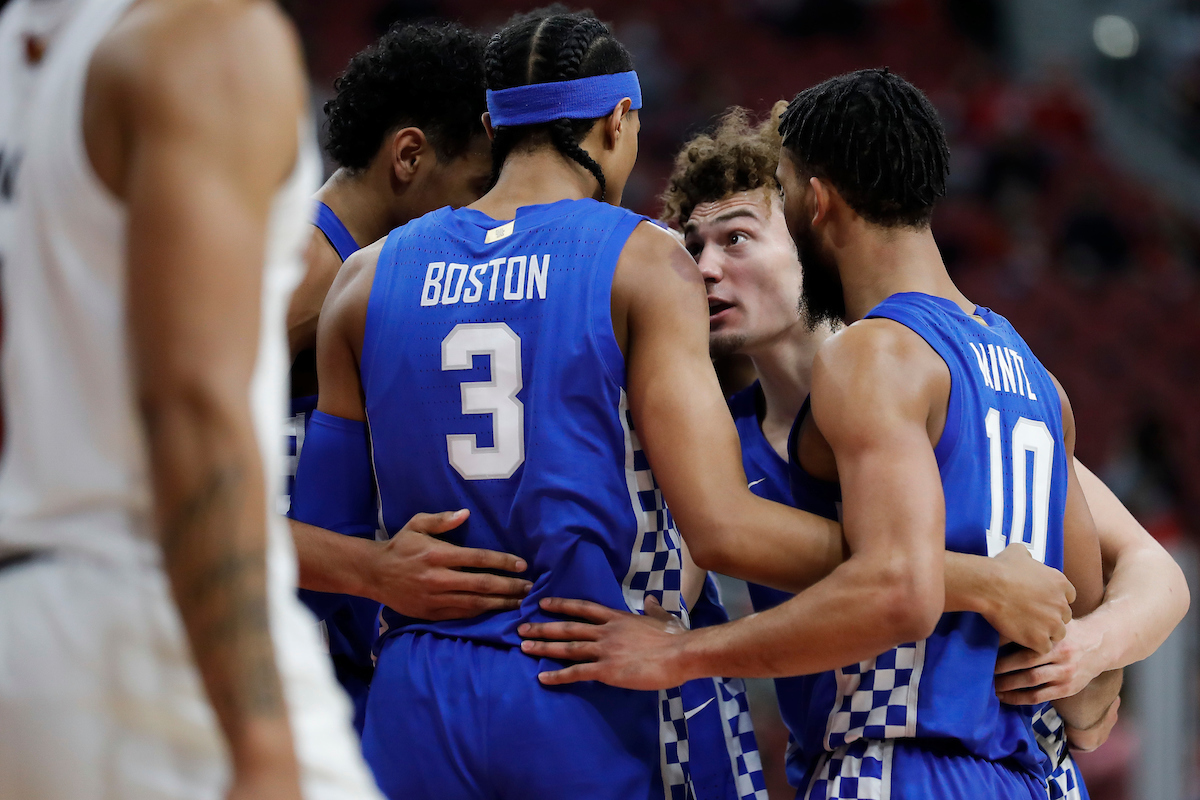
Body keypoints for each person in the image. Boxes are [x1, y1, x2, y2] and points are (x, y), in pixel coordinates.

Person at [295, 8, 887, 799]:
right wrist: (918, 568)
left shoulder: (361, 279)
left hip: (414, 695)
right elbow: (724, 527)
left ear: (491, 126)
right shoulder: (644, 259)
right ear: (618, 122)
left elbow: (322, 551)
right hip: (572, 671)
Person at [520, 69, 1122, 799]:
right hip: (1031, 775)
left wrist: (682, 655)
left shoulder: (871, 354)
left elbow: (896, 588)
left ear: (816, 199)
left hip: (899, 765)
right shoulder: (1036, 378)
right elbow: (1089, 682)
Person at [659, 104, 1190, 797]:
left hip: (938, 761)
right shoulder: (716, 444)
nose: (706, 269)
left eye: (737, 237)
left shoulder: (922, 375)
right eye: (692, 248)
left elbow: (1151, 572)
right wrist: (981, 581)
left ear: (813, 217)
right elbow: (723, 547)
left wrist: (1088, 650)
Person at [0, 0, 380, 799]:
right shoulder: (208, 35)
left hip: (30, 628)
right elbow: (191, 403)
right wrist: (262, 747)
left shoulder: (26, 50)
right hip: (146, 618)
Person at [282, 19, 526, 737]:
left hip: (330, 647)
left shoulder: (382, 277)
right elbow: (166, 508)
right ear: (410, 155)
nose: (488, 213)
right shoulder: (302, 277)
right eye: (480, 185)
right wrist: (374, 569)